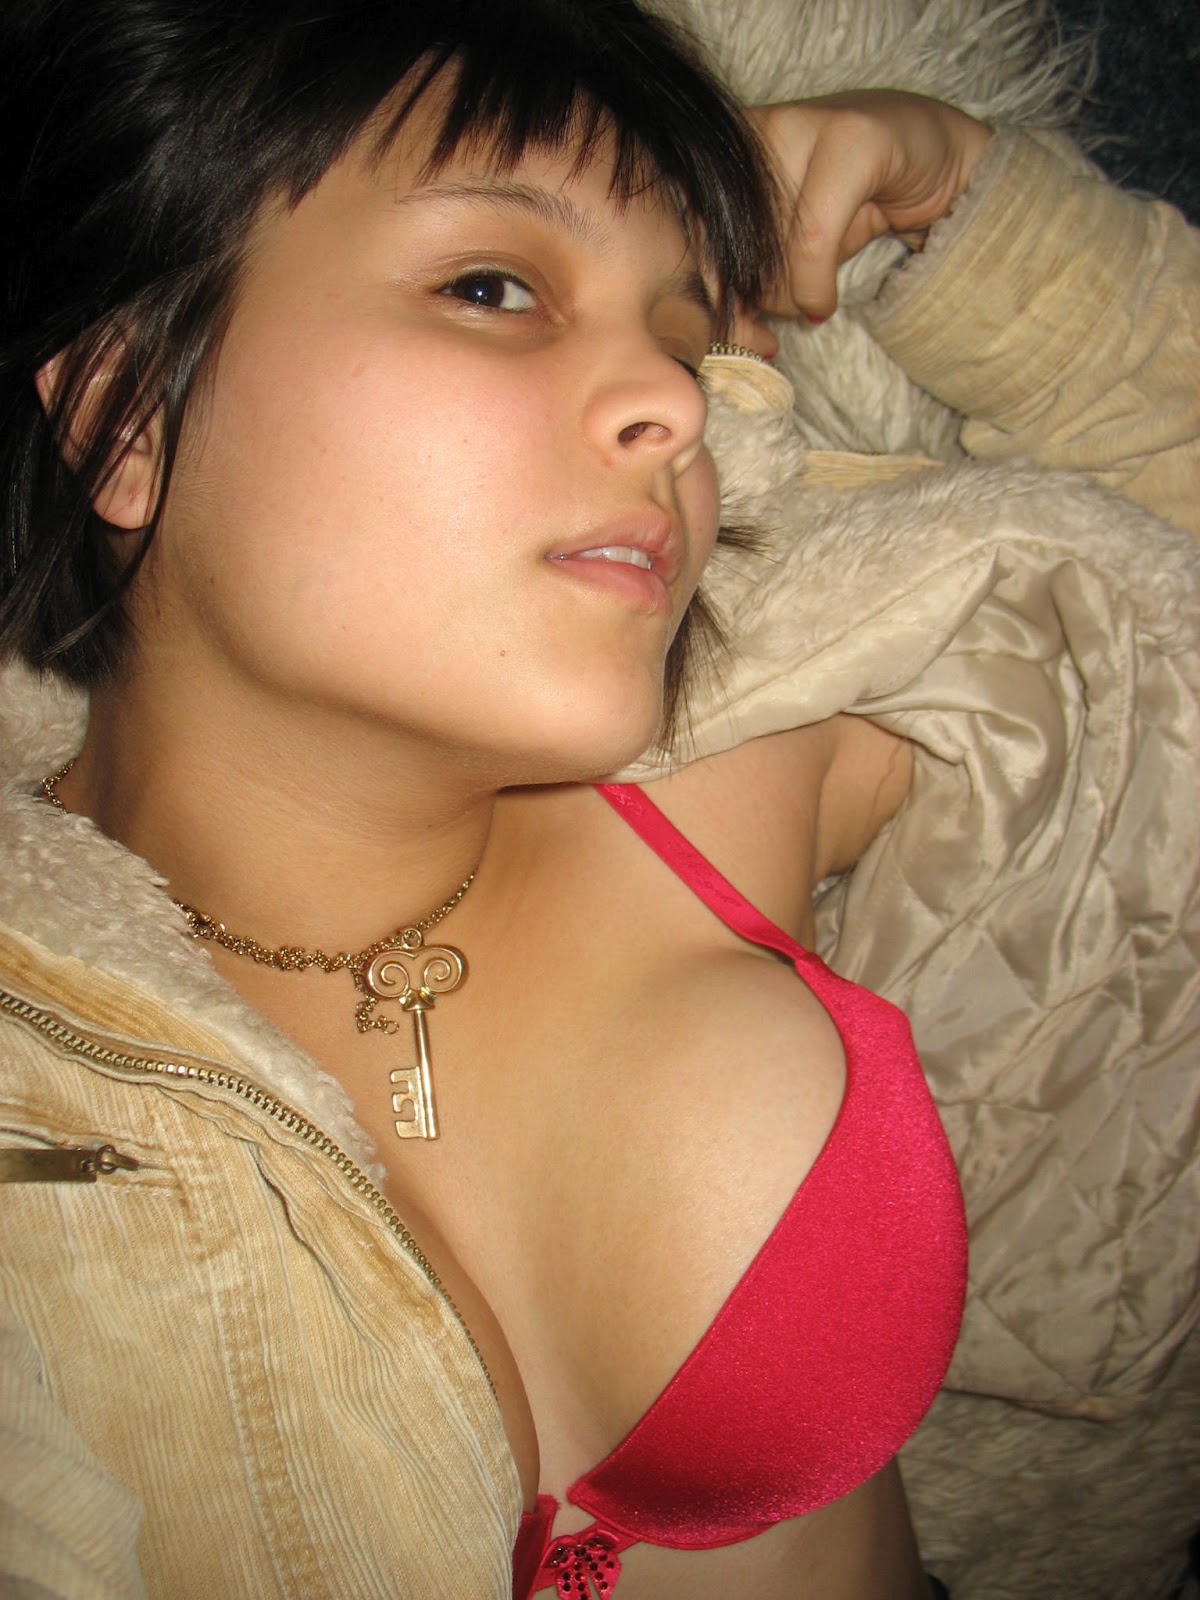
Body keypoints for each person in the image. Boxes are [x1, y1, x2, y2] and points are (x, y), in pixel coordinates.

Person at [1, 1, 1192, 1597]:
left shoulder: (752, 762)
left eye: (683, 341)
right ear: (126, 417)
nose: (675, 406)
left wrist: (976, 222)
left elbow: (1161, 611)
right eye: (493, 287)